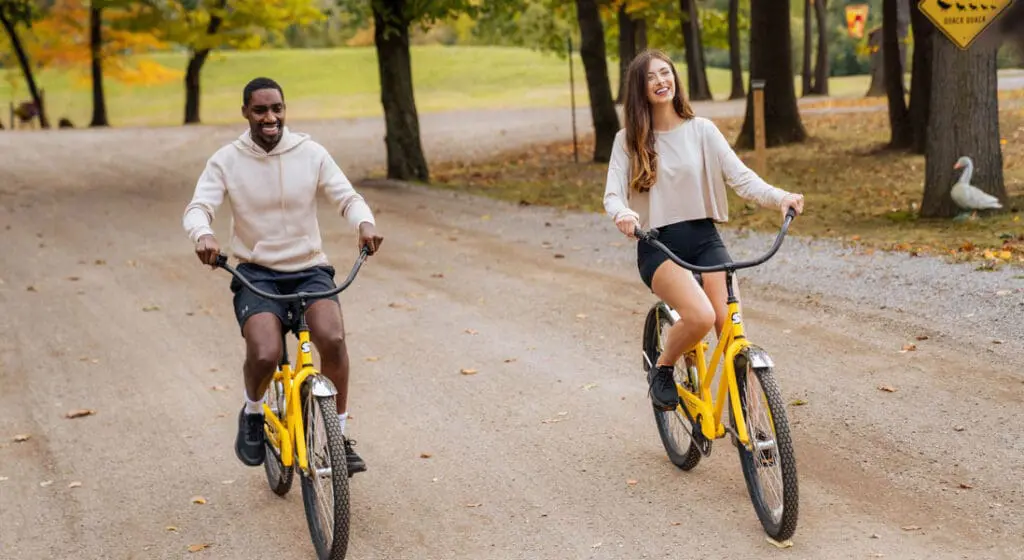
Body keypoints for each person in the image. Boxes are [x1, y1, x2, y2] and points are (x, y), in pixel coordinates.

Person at [182, 77, 383, 474]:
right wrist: (203, 234)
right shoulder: (226, 160)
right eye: (260, 110)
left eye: (277, 108)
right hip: (257, 274)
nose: (270, 117)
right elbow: (198, 207)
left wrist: (365, 223)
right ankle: (253, 411)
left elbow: (347, 197)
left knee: (333, 339)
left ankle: (339, 438)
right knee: (264, 353)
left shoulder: (310, 152)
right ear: (246, 112)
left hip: (309, 269)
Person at [603, 49, 804, 412]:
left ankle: (753, 422)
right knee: (700, 316)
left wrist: (780, 197)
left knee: (731, 329)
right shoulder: (628, 140)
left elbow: (741, 178)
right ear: (639, 88)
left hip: (704, 238)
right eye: (651, 77)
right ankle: (663, 368)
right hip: (659, 246)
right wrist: (623, 215)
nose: (661, 81)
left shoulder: (702, 130)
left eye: (665, 72)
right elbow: (613, 195)